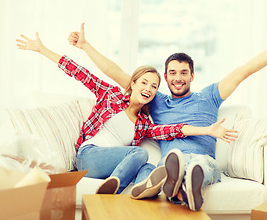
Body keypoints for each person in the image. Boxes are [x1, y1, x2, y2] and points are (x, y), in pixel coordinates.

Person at [68, 19, 267, 210]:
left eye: (183, 72)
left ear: (192, 76)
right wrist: (85, 46)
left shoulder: (210, 96)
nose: (177, 77)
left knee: (199, 164)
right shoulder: (157, 100)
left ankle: (186, 183)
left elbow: (245, 71)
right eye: (172, 73)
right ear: (166, 76)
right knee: (151, 170)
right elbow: (116, 73)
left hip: (202, 161)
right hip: (166, 164)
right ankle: (174, 192)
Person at [16, 32, 237, 197]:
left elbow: (175, 129)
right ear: (133, 83)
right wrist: (42, 49)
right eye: (144, 83)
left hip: (113, 163)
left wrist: (209, 130)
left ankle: (143, 191)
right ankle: (114, 188)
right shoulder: (110, 95)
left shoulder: (144, 124)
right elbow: (78, 72)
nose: (149, 89)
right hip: (89, 156)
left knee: (151, 168)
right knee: (139, 154)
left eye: (153, 86)